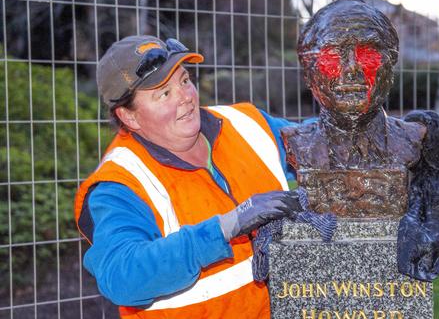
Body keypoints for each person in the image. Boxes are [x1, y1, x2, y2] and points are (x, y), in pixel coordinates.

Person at [73, 35, 304, 318]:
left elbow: (319, 140)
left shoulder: (247, 124)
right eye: (164, 93)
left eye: (184, 80)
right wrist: (226, 227)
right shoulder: (119, 185)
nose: (186, 97)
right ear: (129, 117)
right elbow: (122, 275)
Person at [282, 0, 439, 280]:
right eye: (332, 54)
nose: (351, 68)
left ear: (390, 66)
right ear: (309, 71)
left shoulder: (416, 140)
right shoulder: (296, 143)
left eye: (367, 53)